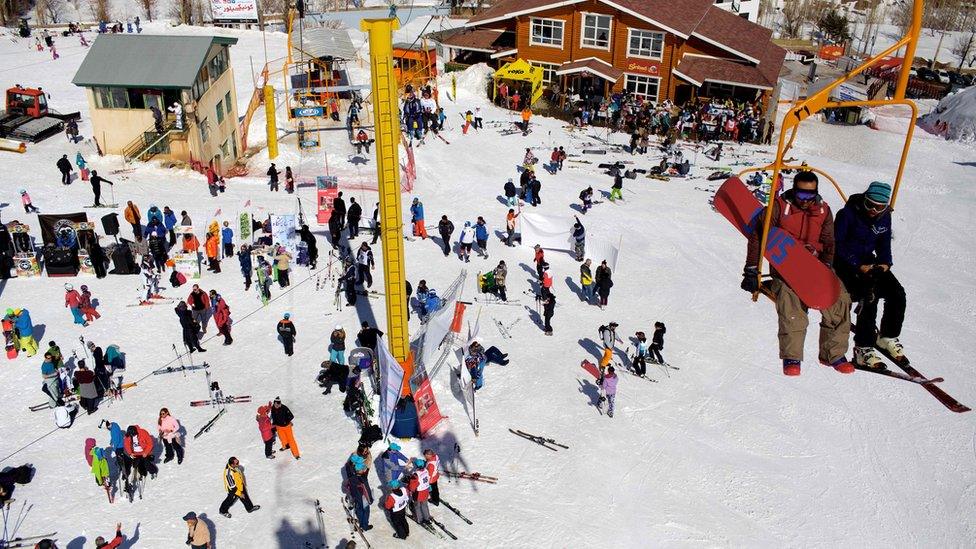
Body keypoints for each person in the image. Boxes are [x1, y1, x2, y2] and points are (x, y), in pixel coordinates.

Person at [741, 171, 853, 376]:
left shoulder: (823, 210)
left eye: (810, 196)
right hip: (786, 265)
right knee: (791, 302)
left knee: (840, 298)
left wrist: (826, 266)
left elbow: (829, 242)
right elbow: (758, 235)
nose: (805, 201)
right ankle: (792, 356)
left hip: (815, 264)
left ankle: (833, 353)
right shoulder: (778, 206)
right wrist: (751, 269)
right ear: (794, 191)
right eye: (801, 196)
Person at [833, 181, 906, 368]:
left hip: (868, 260)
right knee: (870, 295)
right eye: (870, 204)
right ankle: (863, 348)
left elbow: (884, 242)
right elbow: (837, 245)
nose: (873, 210)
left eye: (879, 207)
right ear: (864, 199)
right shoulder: (847, 215)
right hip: (845, 263)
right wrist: (858, 265)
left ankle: (887, 336)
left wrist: (885, 263)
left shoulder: (884, 217)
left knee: (897, 293)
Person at [407, 458, 432, 525]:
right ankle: (427, 518)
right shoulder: (426, 471)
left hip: (418, 493)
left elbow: (412, 487)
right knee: (424, 505)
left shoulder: (416, 475)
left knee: (417, 506)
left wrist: (409, 489)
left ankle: (420, 519)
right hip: (426, 491)